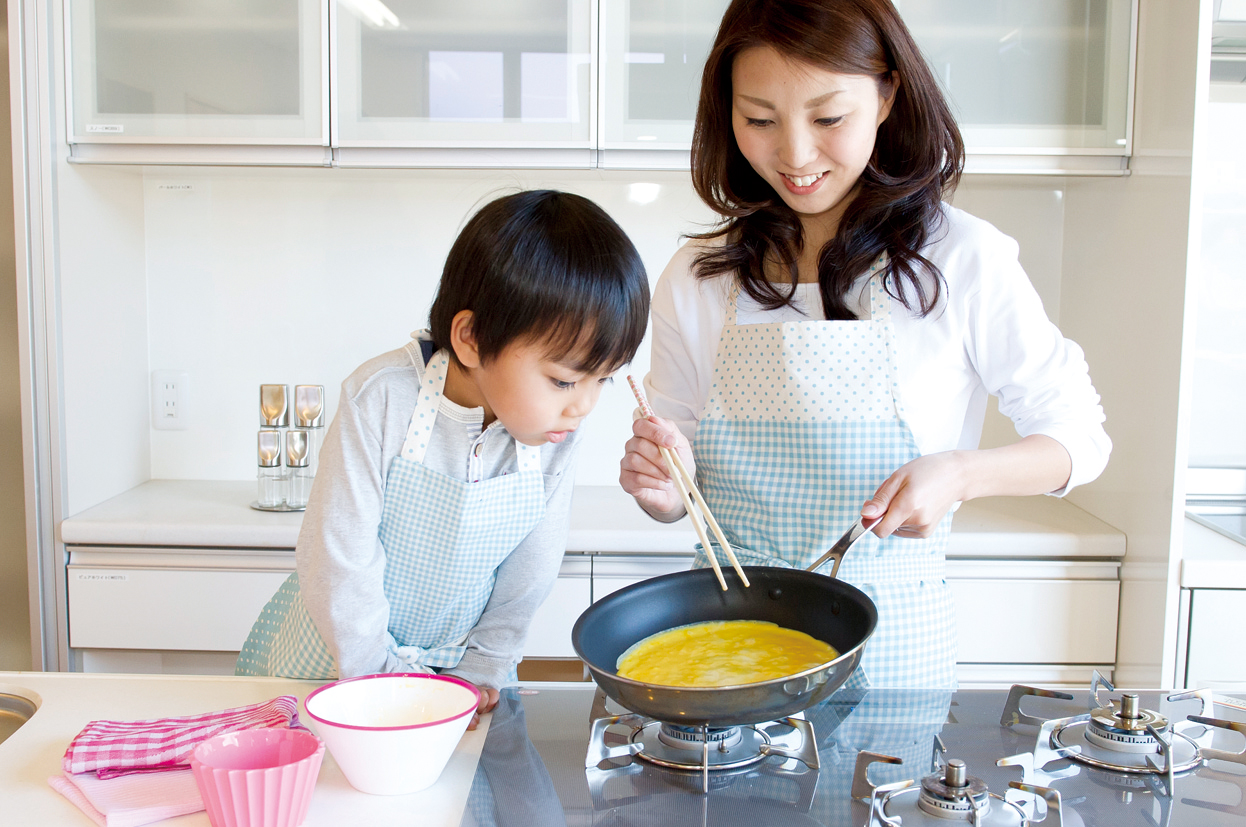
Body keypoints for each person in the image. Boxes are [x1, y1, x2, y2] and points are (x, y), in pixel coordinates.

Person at [620, 0, 1111, 690]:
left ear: (887, 95)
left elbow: (1078, 439)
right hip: (724, 654)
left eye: (828, 118)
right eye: (759, 119)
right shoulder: (701, 275)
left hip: (894, 651)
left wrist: (959, 473)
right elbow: (682, 475)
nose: (793, 154)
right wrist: (660, 485)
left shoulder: (961, 259)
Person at [238, 190, 650, 727]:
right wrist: (380, 682)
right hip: (339, 670)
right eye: (565, 379)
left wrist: (485, 667)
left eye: (605, 378)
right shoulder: (381, 397)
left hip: (458, 681)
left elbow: (532, 566)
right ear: (473, 338)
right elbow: (337, 557)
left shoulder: (554, 431)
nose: (585, 404)